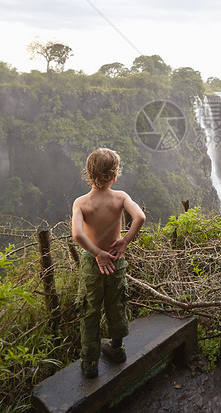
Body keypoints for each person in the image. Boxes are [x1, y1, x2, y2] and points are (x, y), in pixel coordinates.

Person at [71, 147, 146, 379]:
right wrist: (124, 242)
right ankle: (117, 349)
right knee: (116, 305)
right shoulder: (121, 197)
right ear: (114, 176)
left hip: (93, 265)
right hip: (116, 260)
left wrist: (96, 253)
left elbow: (77, 235)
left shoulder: (81, 203)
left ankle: (90, 363)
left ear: (88, 174)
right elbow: (140, 217)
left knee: (90, 311)